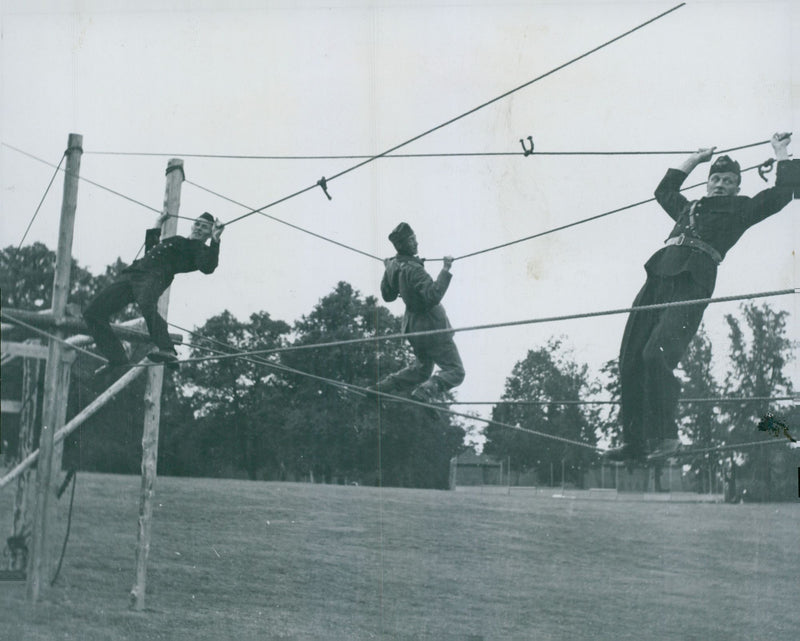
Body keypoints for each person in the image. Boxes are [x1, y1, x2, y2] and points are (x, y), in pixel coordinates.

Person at [607, 132, 799, 462]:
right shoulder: (689, 207)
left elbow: (783, 193)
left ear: (737, 187)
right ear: (708, 183)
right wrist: (697, 158)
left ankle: (667, 437)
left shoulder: (741, 208)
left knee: (655, 354)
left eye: (728, 181)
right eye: (716, 179)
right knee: (629, 360)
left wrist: (781, 151)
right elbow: (663, 191)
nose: (721, 184)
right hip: (656, 279)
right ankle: (635, 443)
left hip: (693, 281)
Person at [83, 211, 223, 375]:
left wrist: (216, 239)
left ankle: (167, 349)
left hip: (154, 278)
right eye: (197, 224)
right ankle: (117, 357)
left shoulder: (199, 249)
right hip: (133, 274)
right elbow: (151, 250)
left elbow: (208, 267)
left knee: (147, 305)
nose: (198, 228)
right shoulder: (177, 240)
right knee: (92, 312)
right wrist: (158, 224)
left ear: (209, 233)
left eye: (204, 227)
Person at [370, 222, 465, 403]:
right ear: (403, 245)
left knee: (421, 370)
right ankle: (426, 391)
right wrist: (445, 269)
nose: (416, 243)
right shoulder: (415, 270)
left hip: (413, 329)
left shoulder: (394, 266)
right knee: (456, 371)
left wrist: (388, 269)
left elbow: (387, 295)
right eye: (411, 240)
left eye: (415, 238)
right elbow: (433, 295)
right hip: (432, 327)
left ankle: (381, 388)